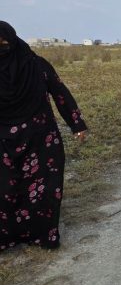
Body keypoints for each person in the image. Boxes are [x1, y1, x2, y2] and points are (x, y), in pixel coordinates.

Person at [0, 21, 88, 251]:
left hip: (40, 138)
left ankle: (42, 235)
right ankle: (8, 237)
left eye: (5, 41)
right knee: (5, 190)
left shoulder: (36, 65)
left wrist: (76, 123)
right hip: (3, 142)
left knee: (44, 189)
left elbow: (60, 93)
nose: (3, 46)